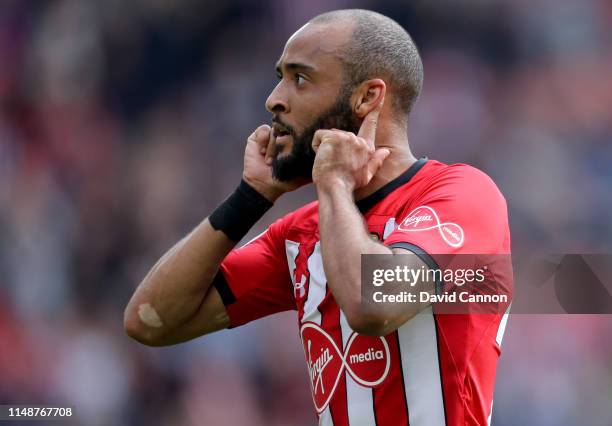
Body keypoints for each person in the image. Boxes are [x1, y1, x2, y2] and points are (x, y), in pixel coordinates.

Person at [124, 9, 512, 426]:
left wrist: (334, 183)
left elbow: (374, 306)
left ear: (367, 97)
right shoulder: (299, 234)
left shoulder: (463, 195)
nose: (274, 98)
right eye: (280, 77)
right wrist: (250, 198)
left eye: (300, 79)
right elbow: (151, 320)